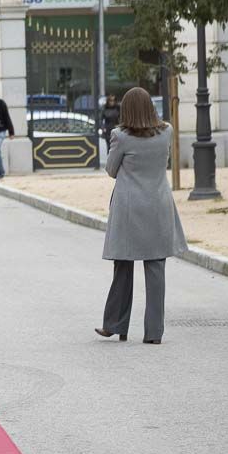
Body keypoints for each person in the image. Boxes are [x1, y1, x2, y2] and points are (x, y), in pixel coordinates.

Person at [96, 86, 187, 345]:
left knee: (123, 266)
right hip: (158, 205)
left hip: (128, 207)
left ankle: (115, 324)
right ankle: (154, 333)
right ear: (150, 107)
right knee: (156, 269)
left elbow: (112, 170)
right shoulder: (166, 131)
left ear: (126, 110)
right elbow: (164, 163)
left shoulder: (119, 136)